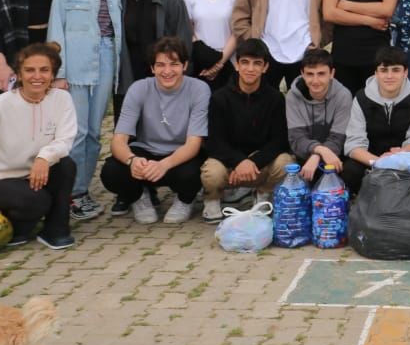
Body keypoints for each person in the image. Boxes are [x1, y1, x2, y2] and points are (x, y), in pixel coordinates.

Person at [0, 43, 78, 249]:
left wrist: (44, 157)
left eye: (44, 70)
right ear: (18, 74)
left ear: (53, 75)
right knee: (38, 201)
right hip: (5, 181)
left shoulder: (62, 99)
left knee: (66, 165)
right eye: (29, 70)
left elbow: (65, 139)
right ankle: (16, 226)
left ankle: (56, 230)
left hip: (39, 172)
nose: (37, 76)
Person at [47, 0, 122, 223]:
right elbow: (56, 27)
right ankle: (71, 194)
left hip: (107, 58)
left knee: (93, 131)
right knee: (76, 132)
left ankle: (82, 190)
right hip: (75, 63)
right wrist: (59, 71)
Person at [100, 36, 210, 224]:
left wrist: (164, 165)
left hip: (180, 154)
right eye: (160, 65)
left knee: (194, 173)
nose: (167, 71)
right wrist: (132, 160)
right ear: (152, 68)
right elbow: (118, 141)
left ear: (184, 65)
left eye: (174, 64)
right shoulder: (138, 88)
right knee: (111, 171)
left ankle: (185, 200)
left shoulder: (199, 89)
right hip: (146, 153)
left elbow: (194, 144)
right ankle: (139, 197)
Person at [199, 37, 293, 221]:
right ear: (237, 65)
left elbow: (279, 141)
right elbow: (215, 142)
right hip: (228, 165)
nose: (250, 69)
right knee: (211, 172)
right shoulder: (220, 98)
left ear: (265, 67)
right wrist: (239, 162)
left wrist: (252, 162)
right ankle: (212, 201)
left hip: (259, 165)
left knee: (285, 162)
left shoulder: (275, 99)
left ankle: (263, 195)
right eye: (245, 62)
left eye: (257, 63)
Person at [118, 0, 193, 121]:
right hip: (129, 70)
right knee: (129, 124)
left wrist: (178, 70)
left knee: (161, 123)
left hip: (162, 70)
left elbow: (182, 35)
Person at [341, 46, 410, 194]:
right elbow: (353, 146)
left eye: (395, 70)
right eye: (384, 70)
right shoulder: (362, 98)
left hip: (403, 156)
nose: (389, 76)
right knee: (350, 170)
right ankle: (358, 204)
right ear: (375, 73)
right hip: (371, 159)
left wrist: (399, 157)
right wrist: (380, 163)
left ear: (405, 72)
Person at [285, 48, 353, 183]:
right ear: (302, 74)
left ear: (332, 73)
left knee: (350, 173)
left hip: (334, 156)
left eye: (321, 74)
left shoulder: (343, 95)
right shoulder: (292, 96)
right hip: (304, 156)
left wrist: (317, 155)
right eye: (310, 74)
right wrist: (319, 149)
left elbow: (338, 139)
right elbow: (296, 138)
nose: (315, 80)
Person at [181, 0, 241, 91]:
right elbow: (188, 29)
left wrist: (219, 63)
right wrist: (205, 56)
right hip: (199, 62)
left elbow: (237, 31)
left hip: (229, 61)